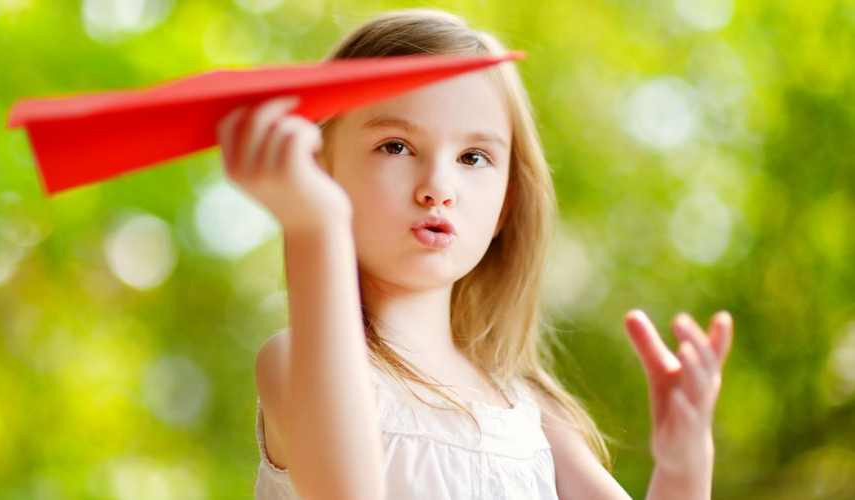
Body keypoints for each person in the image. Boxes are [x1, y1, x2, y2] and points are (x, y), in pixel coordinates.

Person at [216, 8, 735, 500]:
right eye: (396, 146)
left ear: (506, 204)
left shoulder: (530, 413)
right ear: (321, 168)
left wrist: (683, 465)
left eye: (473, 157)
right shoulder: (292, 362)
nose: (438, 187)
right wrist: (315, 225)